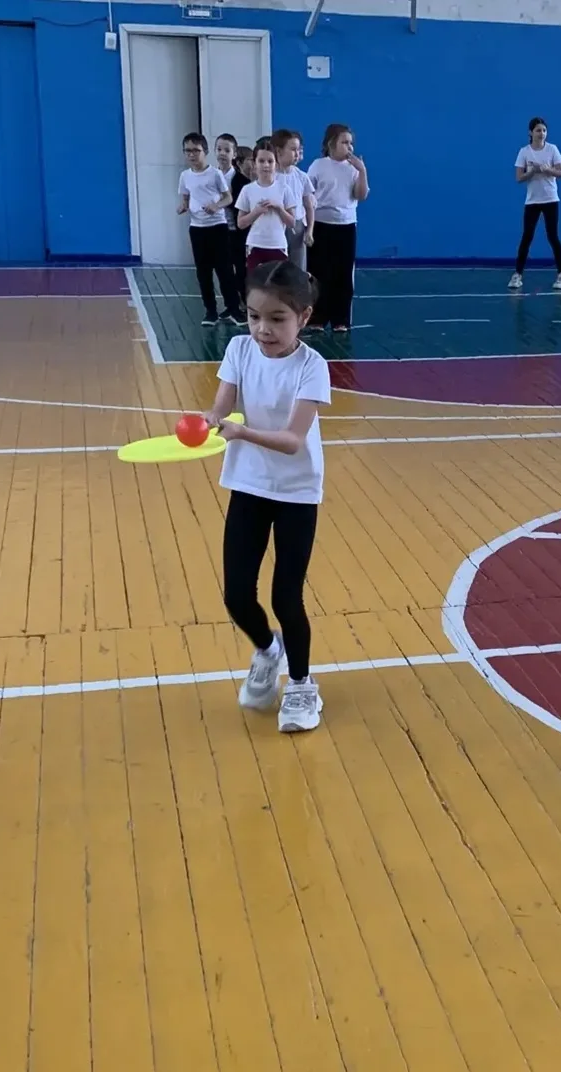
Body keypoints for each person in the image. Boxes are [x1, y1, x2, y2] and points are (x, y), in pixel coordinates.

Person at [203, 260, 332, 732]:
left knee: (285, 597)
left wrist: (240, 432)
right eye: (254, 316)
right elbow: (221, 407)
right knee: (237, 594)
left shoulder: (312, 367)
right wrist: (206, 423)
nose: (263, 329)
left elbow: (293, 440)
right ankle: (267, 648)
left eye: (277, 318)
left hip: (296, 492)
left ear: (304, 316)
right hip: (249, 485)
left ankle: (300, 683)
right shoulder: (239, 349)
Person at [307, 123, 369, 332]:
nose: (349, 147)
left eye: (351, 143)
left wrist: (362, 171)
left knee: (342, 274)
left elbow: (361, 195)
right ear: (331, 143)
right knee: (319, 272)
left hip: (346, 226)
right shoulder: (318, 165)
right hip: (321, 225)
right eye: (344, 142)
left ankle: (340, 319)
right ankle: (317, 317)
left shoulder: (354, 168)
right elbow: (309, 195)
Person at [178, 132, 242, 327]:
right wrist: (183, 206)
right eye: (188, 151)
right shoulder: (185, 176)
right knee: (203, 272)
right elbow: (186, 197)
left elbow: (228, 197)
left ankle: (233, 309)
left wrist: (216, 206)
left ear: (205, 152)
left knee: (224, 270)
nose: (191, 155)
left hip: (218, 227)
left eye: (196, 151)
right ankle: (210, 311)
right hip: (197, 229)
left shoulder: (215, 174)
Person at [509, 117, 561, 292]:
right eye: (538, 130)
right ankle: (517, 275)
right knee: (527, 237)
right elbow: (519, 177)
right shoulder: (524, 152)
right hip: (532, 201)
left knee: (553, 236)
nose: (541, 133)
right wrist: (532, 172)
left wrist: (546, 169)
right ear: (531, 132)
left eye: (544, 130)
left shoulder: (552, 149)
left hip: (550, 199)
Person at [235, 138, 295, 273]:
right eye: (261, 161)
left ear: (276, 164)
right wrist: (256, 212)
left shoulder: (284, 189)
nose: (266, 165)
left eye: (270, 161)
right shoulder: (247, 190)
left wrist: (279, 208)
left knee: (278, 284)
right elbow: (240, 223)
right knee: (256, 284)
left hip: (278, 245)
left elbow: (292, 223)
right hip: (255, 245)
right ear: (254, 163)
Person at [272, 128, 316, 270]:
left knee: (298, 268)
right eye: (292, 150)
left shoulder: (302, 177)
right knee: (276, 268)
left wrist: (309, 230)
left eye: (298, 150)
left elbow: (309, 206)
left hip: (297, 227)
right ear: (279, 151)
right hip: (275, 225)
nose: (297, 154)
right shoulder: (270, 176)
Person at [216, 133, 251, 301]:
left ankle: (245, 302)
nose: (222, 153)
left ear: (234, 154)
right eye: (219, 149)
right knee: (223, 270)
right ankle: (231, 304)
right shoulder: (210, 176)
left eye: (227, 150)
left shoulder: (242, 181)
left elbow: (243, 206)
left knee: (241, 269)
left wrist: (226, 199)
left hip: (236, 232)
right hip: (216, 230)